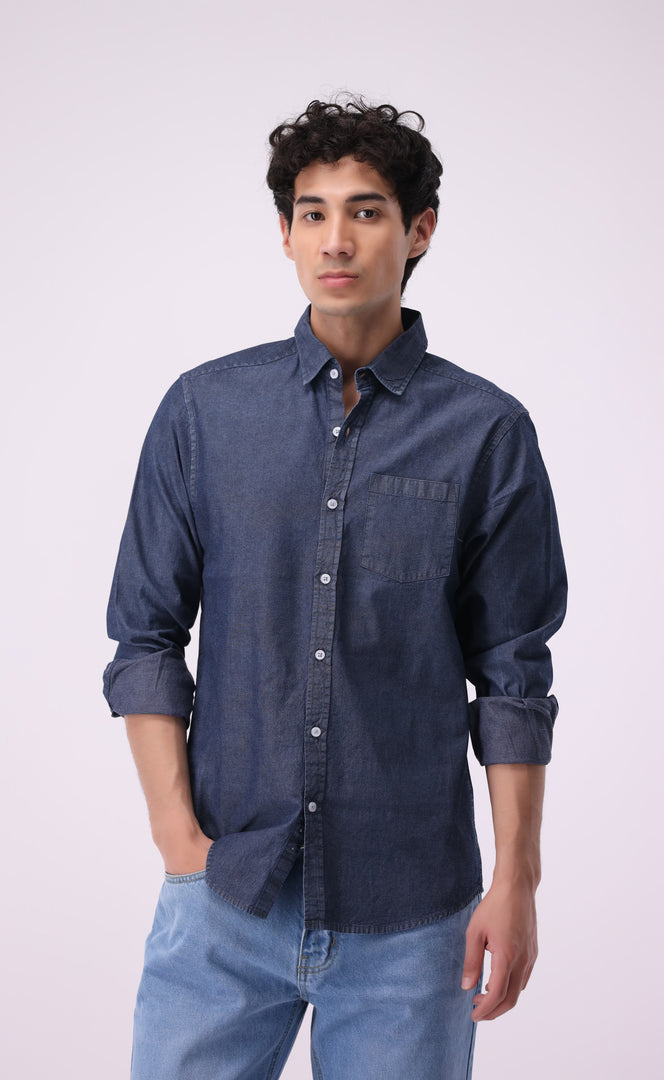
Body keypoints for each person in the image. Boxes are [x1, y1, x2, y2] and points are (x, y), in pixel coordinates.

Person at [104, 97, 567, 1080]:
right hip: (225, 900)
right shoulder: (205, 412)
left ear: (419, 229)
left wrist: (517, 880)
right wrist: (178, 841)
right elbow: (145, 636)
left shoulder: (486, 432)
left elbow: (514, 676)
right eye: (312, 213)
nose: (336, 240)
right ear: (284, 233)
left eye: (366, 211)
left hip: (413, 921)